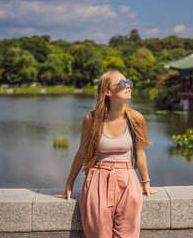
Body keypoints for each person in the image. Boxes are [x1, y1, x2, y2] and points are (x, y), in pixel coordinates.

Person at [55, 70, 158, 238]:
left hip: (128, 182)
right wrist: (69, 185)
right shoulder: (92, 119)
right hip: (97, 181)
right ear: (107, 92)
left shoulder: (136, 119)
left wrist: (145, 182)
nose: (128, 86)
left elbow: (140, 152)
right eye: (122, 84)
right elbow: (82, 153)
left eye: (129, 82)